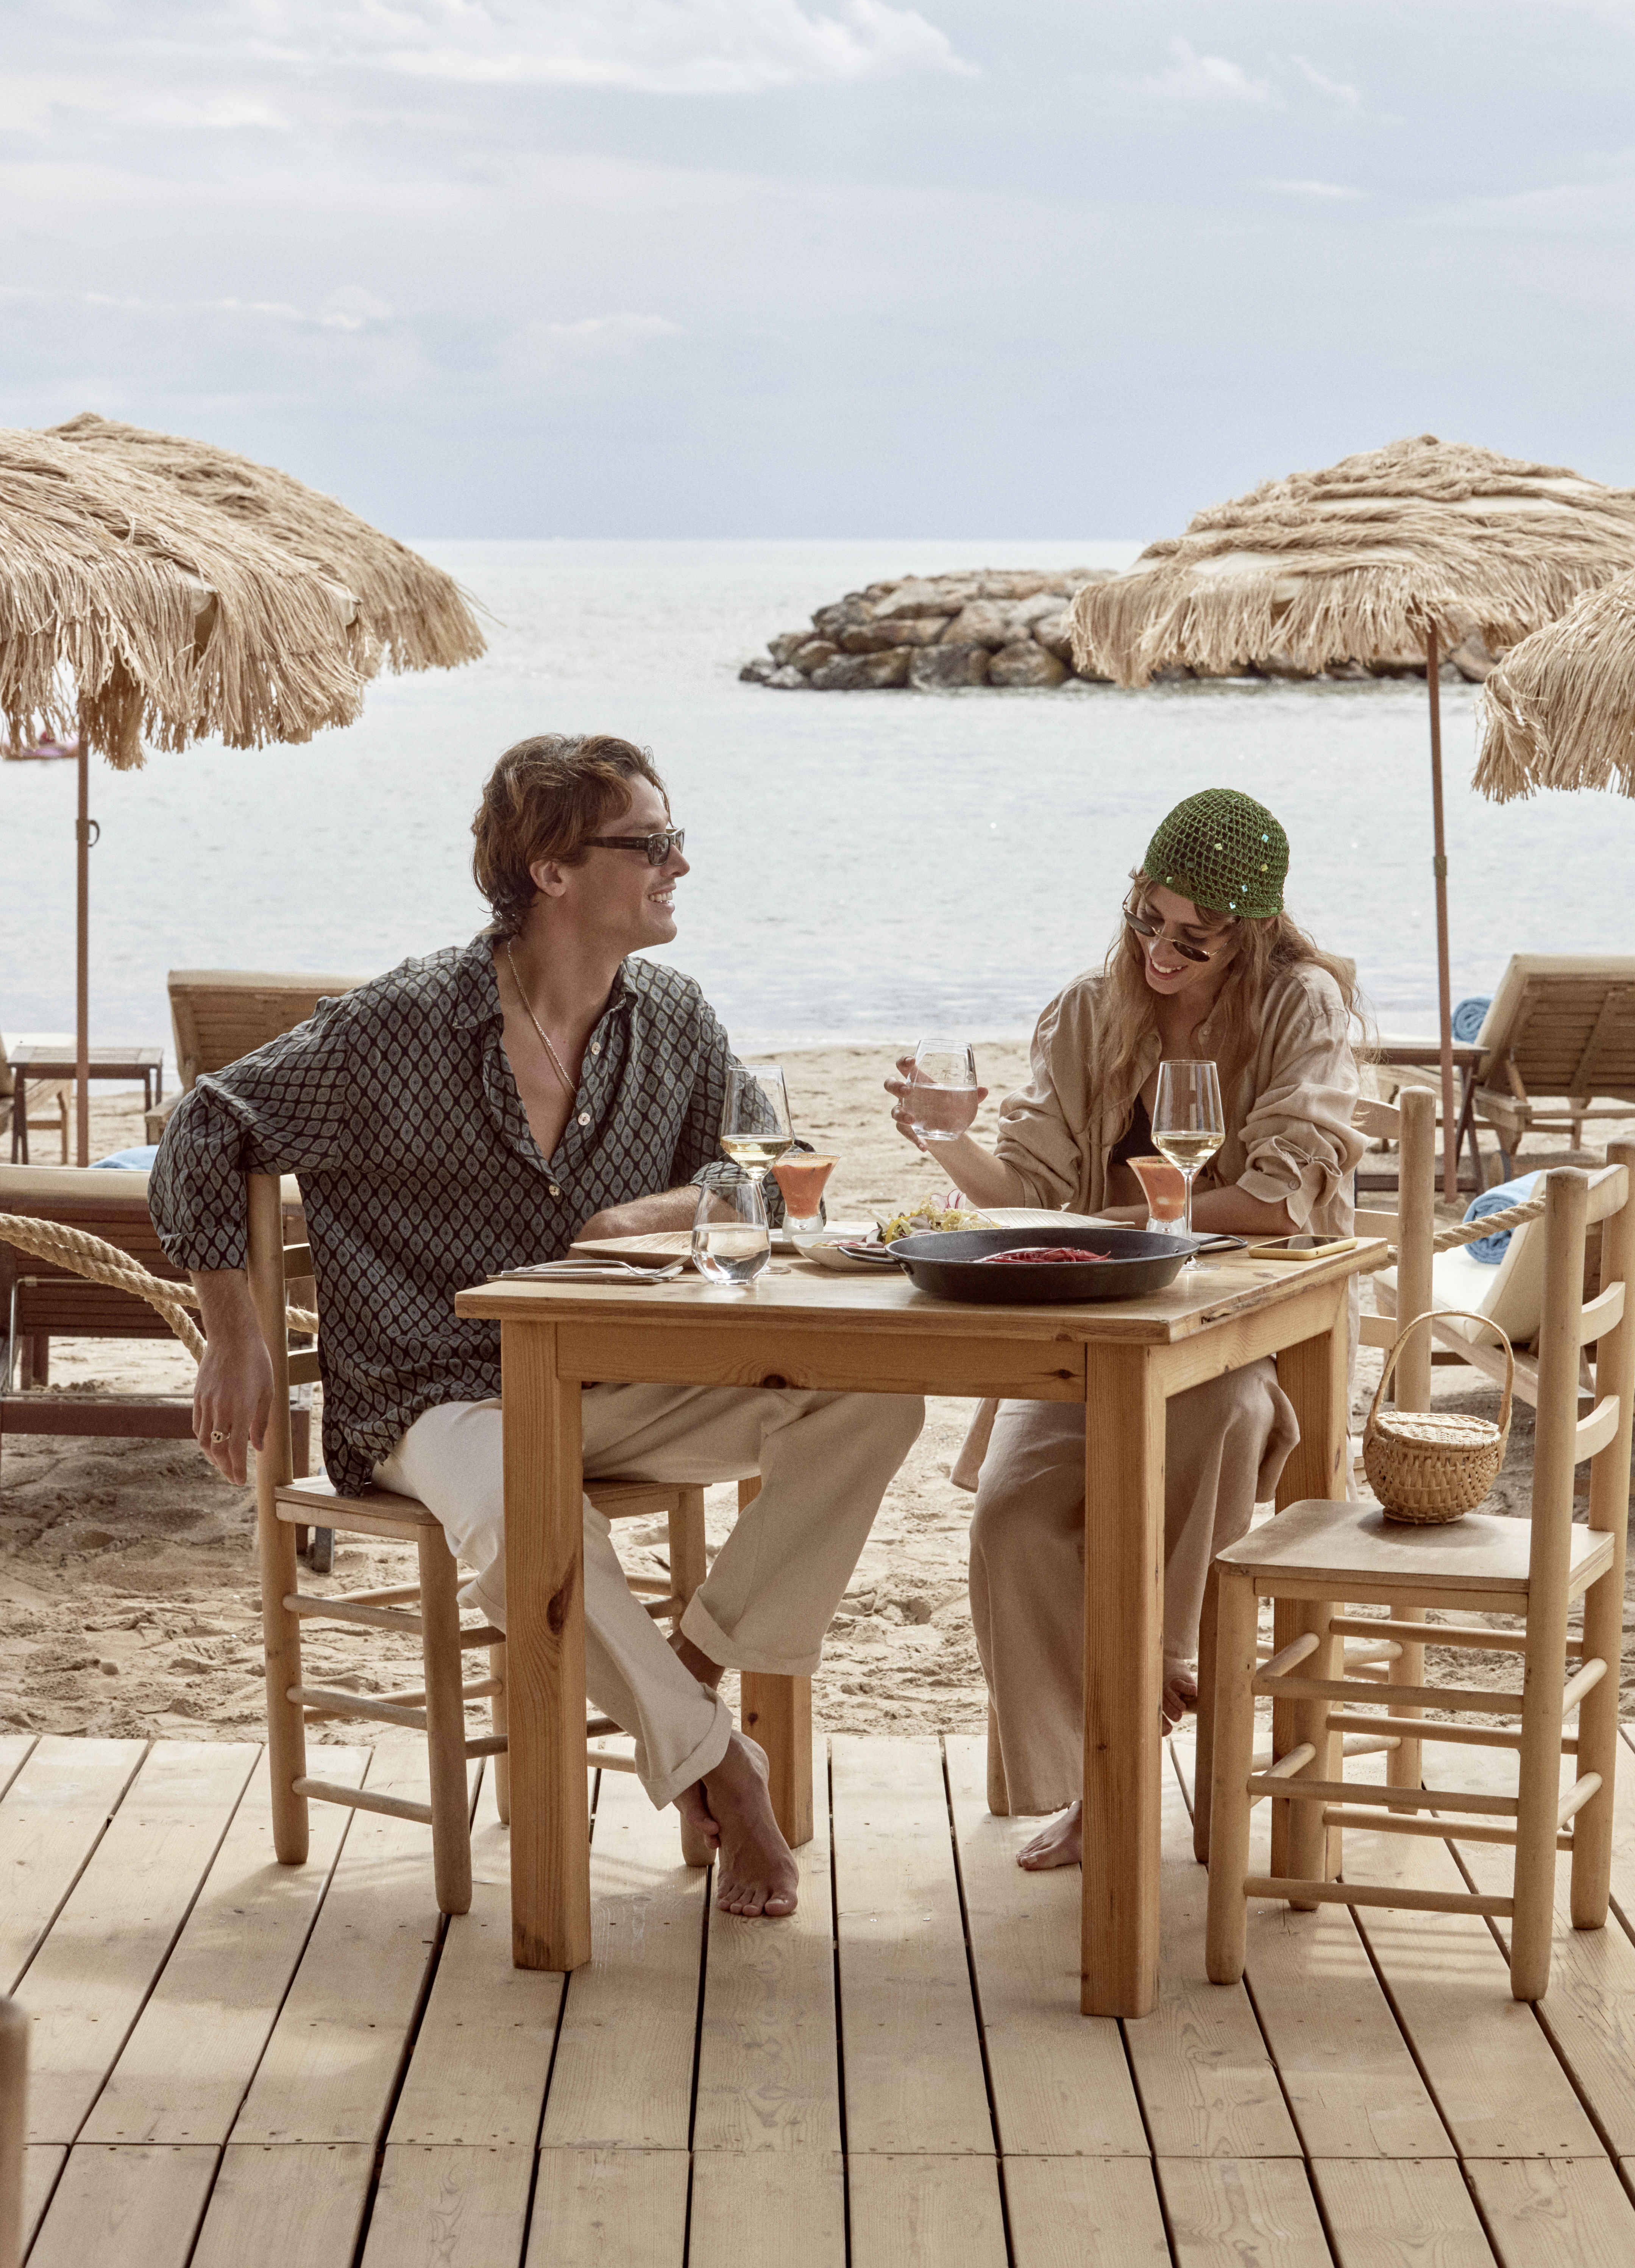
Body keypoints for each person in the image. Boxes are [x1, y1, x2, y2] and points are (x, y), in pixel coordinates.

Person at [152, 732, 922, 1920]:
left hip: (610, 1379)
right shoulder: (398, 1028)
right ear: (551, 870)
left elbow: (774, 1171)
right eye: (651, 844)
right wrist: (237, 1334)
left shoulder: (673, 1020)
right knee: (524, 1505)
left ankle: (682, 1681)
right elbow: (205, 1127)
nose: (678, 865)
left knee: (870, 1395)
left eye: (674, 840)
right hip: (433, 1396)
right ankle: (719, 1763)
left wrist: (643, 1212)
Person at [886, 787, 1362, 1870]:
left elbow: (1279, 1199)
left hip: (1246, 1331)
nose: (1160, 951)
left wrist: (1113, 1225)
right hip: (1095, 1334)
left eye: (1194, 937)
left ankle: (1142, 1703)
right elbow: (1023, 1191)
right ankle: (1113, 1740)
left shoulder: (1302, 1006)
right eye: (1148, 919)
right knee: (1010, 1520)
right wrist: (946, 1141)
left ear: (1253, 932)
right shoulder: (1089, 1012)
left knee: (1227, 1411)